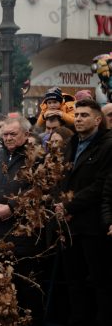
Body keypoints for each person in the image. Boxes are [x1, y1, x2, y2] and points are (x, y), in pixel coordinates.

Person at [0, 116, 45, 322]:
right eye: (5, 134)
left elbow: (38, 189)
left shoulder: (36, 159)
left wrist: (12, 207)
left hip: (21, 233)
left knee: (22, 286)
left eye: (13, 134)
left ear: (26, 135)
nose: (8, 138)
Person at [54, 99, 112, 326]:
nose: (78, 119)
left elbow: (100, 185)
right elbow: (60, 177)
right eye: (76, 115)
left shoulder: (108, 145)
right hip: (69, 225)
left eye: (84, 115)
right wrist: (60, 205)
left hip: (93, 224)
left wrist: (69, 206)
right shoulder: (72, 142)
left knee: (101, 281)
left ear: (98, 120)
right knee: (73, 280)